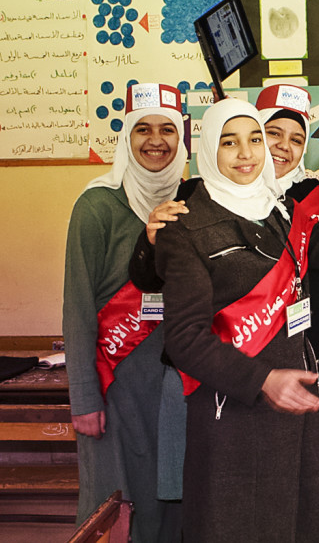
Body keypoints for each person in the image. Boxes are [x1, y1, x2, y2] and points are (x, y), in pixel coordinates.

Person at [155, 98, 319, 542]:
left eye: (254, 139)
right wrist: (262, 380)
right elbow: (184, 338)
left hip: (295, 409)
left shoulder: (280, 211)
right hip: (232, 411)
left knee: (303, 524)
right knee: (240, 527)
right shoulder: (184, 225)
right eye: (230, 142)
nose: (246, 153)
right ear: (209, 150)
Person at [62, 82, 187, 541]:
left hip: (173, 386)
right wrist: (84, 398)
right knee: (106, 506)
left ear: (183, 139)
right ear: (127, 137)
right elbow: (76, 307)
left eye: (167, 130)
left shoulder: (193, 200)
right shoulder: (96, 205)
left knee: (165, 501)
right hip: (111, 383)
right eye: (144, 130)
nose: (156, 141)